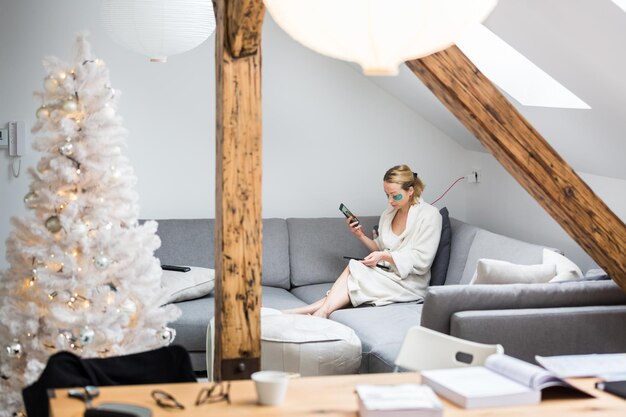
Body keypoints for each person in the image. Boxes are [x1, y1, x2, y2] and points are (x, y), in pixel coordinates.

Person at [284, 164, 442, 318]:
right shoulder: (389, 214)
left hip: (410, 282)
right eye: (387, 195)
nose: (390, 201)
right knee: (354, 272)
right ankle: (313, 312)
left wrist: (384, 257)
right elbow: (379, 248)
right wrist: (360, 235)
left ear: (410, 191)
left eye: (395, 195)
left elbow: (423, 261)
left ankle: (309, 312)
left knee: (354, 271)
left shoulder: (430, 215)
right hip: (387, 273)